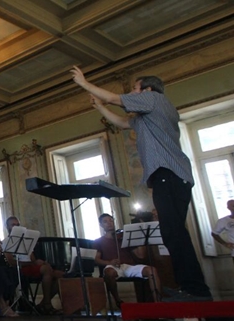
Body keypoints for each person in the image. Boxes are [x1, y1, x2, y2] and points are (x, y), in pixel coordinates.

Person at [70, 66, 212, 302]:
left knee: (174, 233)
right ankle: (192, 288)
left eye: (135, 88)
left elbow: (115, 98)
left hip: (169, 173)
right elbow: (124, 123)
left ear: (147, 89)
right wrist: (100, 107)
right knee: (173, 233)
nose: (132, 92)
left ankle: (196, 290)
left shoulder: (154, 99)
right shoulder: (147, 117)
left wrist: (84, 83)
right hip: (169, 176)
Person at [94, 213, 162, 307]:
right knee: (109, 272)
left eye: (111, 220)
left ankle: (158, 303)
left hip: (129, 266)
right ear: (101, 225)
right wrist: (109, 262)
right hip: (113, 266)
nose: (109, 223)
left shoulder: (124, 237)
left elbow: (141, 255)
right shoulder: (98, 241)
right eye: (105, 222)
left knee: (152, 270)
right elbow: (96, 259)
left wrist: (139, 239)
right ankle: (118, 301)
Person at [4, 216, 63, 314]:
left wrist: (39, 262)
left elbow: (33, 259)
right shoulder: (6, 242)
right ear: (7, 227)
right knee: (47, 269)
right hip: (20, 269)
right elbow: (11, 263)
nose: (16, 227)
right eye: (13, 225)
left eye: (18, 224)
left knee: (61, 275)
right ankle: (47, 305)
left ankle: (43, 304)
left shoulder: (26, 241)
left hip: (31, 267)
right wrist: (34, 263)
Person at [211, 199, 234, 264]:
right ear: (228, 208)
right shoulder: (223, 221)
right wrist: (225, 244)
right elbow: (214, 233)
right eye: (233, 206)